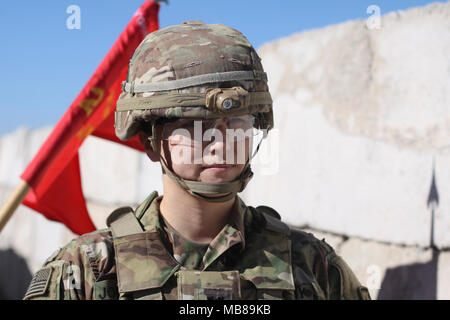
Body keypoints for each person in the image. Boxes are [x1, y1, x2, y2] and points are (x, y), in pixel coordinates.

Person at [24, 21, 370, 300]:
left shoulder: (311, 264)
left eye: (237, 124)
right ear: (149, 140)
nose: (220, 144)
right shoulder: (88, 271)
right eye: (193, 126)